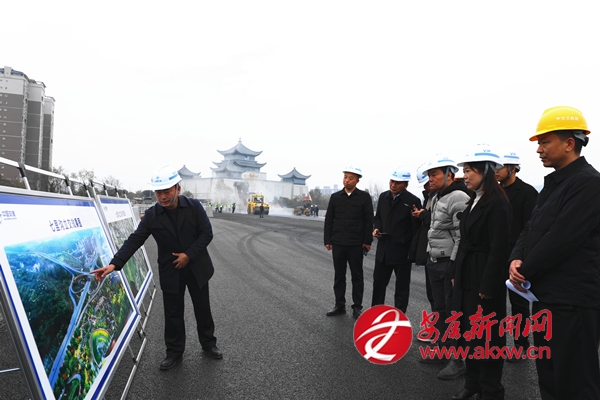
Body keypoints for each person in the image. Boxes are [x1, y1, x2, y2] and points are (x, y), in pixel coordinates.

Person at [509, 106, 600, 399]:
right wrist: (516, 258)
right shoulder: (553, 184)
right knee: (549, 378)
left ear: (569, 143)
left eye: (545, 142)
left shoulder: (589, 183)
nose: (539, 149)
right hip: (546, 297)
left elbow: (562, 238)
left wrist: (525, 270)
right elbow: (531, 227)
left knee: (575, 382)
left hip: (573, 301)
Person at [92, 165, 222, 371]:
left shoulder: (194, 207)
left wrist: (188, 255)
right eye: (158, 192)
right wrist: (114, 264)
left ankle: (209, 344)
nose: (162, 197)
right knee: (172, 313)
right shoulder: (152, 215)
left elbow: (206, 234)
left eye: (166, 191)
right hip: (171, 270)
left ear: (178, 189)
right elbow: (135, 239)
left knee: (202, 308)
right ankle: (174, 352)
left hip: (197, 267)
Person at [451, 145, 511, 400]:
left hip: (484, 274)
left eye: (469, 171)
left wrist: (488, 285)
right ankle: (472, 382)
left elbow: (500, 249)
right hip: (467, 274)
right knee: (468, 332)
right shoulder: (473, 200)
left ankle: (491, 389)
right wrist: (456, 273)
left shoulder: (497, 203)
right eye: (464, 171)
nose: (465, 176)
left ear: (485, 172)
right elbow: (463, 242)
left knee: (487, 336)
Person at [422, 154, 470, 380]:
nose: (430, 179)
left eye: (435, 174)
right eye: (429, 175)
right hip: (434, 261)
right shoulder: (438, 197)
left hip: (447, 264)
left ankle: (457, 361)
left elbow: (462, 236)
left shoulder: (458, 197)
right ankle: (442, 351)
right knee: (439, 309)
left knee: (453, 313)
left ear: (449, 174)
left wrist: (453, 266)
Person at [495, 149, 538, 357]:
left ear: (512, 168)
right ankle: (495, 342)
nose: (495, 171)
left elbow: (531, 228)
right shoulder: (495, 192)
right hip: (496, 254)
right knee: (493, 301)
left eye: (500, 167)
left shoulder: (528, 193)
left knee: (519, 303)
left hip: (517, 256)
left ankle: (521, 345)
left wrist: (521, 256)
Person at [324, 165, 374, 319]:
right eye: (345, 177)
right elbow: (329, 220)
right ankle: (339, 305)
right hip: (338, 242)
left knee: (357, 276)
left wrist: (367, 241)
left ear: (357, 181)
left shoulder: (364, 197)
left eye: (351, 178)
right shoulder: (335, 197)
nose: (347, 180)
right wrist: (327, 239)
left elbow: (369, 221)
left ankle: (357, 307)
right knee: (339, 276)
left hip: (356, 244)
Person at [371, 166, 422, 313]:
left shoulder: (412, 201)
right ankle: (376, 314)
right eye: (392, 181)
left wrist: (412, 252)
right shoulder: (383, 197)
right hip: (383, 251)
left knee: (402, 288)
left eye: (398, 182)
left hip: (402, 252)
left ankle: (400, 316)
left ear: (405, 184)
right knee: (378, 285)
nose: (393, 185)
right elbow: (378, 217)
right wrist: (377, 228)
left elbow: (416, 229)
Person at [410, 162, 437, 314]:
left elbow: (439, 219)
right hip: (429, 250)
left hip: (442, 253)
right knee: (432, 293)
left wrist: (423, 215)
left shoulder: (449, 197)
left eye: (428, 183)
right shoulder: (429, 197)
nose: (427, 186)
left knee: (440, 295)